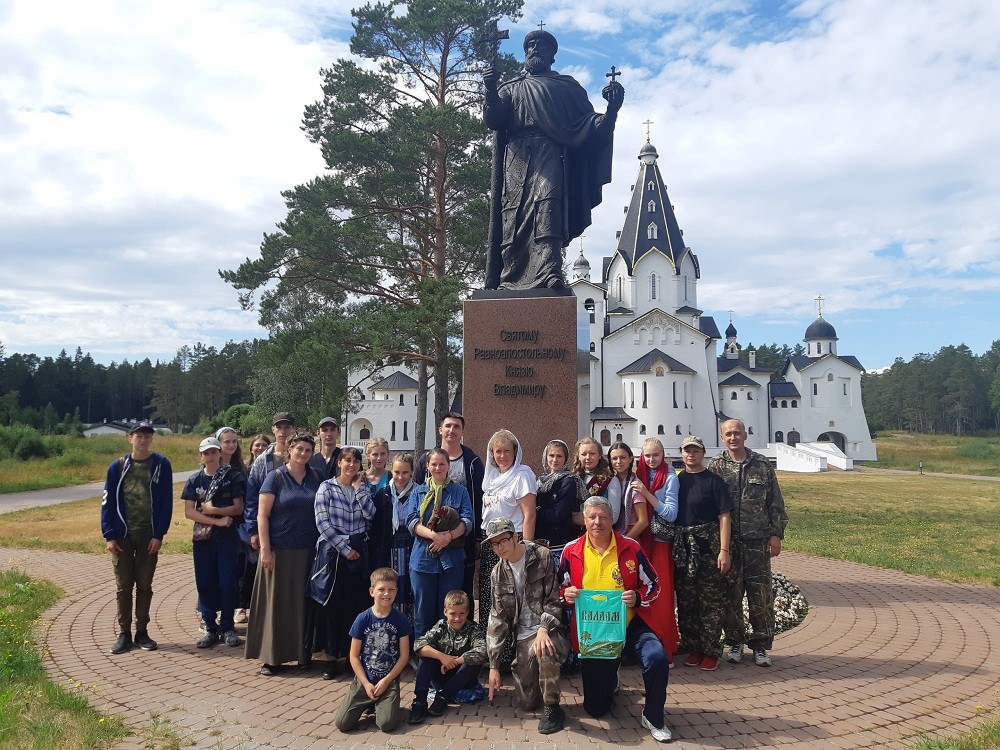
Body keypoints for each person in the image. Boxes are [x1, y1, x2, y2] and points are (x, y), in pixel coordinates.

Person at [483, 29, 623, 290]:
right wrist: (491, 89)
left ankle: (550, 271)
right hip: (516, 155)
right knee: (513, 214)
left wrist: (612, 110)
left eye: (541, 45)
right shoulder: (510, 88)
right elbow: (495, 119)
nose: (534, 49)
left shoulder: (566, 88)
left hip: (549, 151)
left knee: (549, 205)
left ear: (552, 55)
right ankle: (510, 276)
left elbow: (593, 127)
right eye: (530, 45)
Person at [558, 496, 673, 743]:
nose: (597, 522)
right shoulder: (571, 550)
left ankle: (654, 717)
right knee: (596, 709)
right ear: (584, 520)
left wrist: (638, 597)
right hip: (595, 634)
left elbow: (653, 585)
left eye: (603, 517)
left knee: (657, 658)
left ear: (612, 520)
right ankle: (612, 678)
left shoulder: (631, 547)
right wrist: (566, 595)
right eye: (592, 517)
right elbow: (559, 588)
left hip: (631, 624)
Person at [708, 418, 789, 667]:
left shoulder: (762, 465)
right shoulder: (716, 466)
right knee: (731, 596)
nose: (733, 438)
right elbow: (709, 506)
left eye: (737, 433)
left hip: (757, 543)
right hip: (729, 543)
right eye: (728, 434)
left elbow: (775, 502)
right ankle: (734, 641)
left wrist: (776, 534)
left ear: (745, 435)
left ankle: (761, 645)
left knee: (760, 596)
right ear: (722, 437)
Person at [244, 433, 320, 675]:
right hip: (279, 551)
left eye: (308, 450)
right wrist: (265, 550)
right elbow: (262, 515)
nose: (303, 454)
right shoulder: (275, 477)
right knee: (276, 605)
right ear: (290, 449)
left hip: (308, 551)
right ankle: (272, 657)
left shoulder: (316, 476)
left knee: (302, 605)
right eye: (299, 449)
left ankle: (302, 655)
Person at [483, 518, 568, 735]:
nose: (499, 548)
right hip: (522, 636)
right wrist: (493, 665)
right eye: (494, 544)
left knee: (545, 650)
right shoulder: (497, 573)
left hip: (548, 628)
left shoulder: (542, 556)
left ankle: (553, 708)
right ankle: (531, 672)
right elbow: (498, 619)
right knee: (527, 703)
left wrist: (543, 629)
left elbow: (553, 600)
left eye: (503, 541)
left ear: (515, 537)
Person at [101, 421, 173, 655]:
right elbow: (107, 502)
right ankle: (124, 633)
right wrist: (109, 535)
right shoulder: (118, 466)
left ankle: (142, 631)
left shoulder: (161, 464)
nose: (143, 440)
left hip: (148, 534)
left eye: (147, 436)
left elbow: (166, 503)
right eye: (139, 436)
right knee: (124, 586)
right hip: (122, 534)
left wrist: (159, 534)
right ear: (130, 438)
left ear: (151, 439)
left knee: (144, 585)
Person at [311, 446, 376, 680]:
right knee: (332, 607)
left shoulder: (363, 488)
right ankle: (330, 659)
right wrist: (345, 549)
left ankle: (351, 657)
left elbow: (371, 515)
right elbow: (322, 523)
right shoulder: (326, 487)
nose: (351, 465)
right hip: (333, 553)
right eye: (347, 460)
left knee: (354, 606)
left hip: (358, 553)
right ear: (339, 463)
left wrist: (359, 490)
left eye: (355, 461)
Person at [413, 412, 485, 618]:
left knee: (461, 589)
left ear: (463, 432)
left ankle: (462, 631)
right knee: (428, 597)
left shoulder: (472, 462)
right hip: (428, 540)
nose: (451, 430)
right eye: (448, 426)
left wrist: (476, 536)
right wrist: (432, 534)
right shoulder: (426, 460)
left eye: (456, 426)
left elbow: (479, 499)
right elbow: (416, 495)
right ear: (440, 430)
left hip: (461, 537)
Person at [674, 436, 733, 672]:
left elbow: (724, 516)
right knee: (687, 601)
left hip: (708, 549)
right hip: (684, 550)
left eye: (696, 451)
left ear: (703, 453)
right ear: (681, 453)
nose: (691, 455)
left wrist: (724, 551)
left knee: (710, 601)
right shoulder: (677, 481)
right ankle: (693, 646)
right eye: (687, 451)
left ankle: (711, 650)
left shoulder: (713, 482)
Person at [182, 437, 245, 649]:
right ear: (201, 456)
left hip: (227, 539)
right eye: (206, 453)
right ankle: (210, 627)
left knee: (227, 582)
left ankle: (227, 627)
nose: (210, 456)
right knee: (205, 582)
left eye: (214, 452)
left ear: (220, 453)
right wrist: (217, 520)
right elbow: (189, 512)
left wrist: (214, 510)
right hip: (203, 540)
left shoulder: (232, 477)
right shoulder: (194, 480)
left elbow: (238, 508)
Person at [334, 568, 412, 734]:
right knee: (342, 723)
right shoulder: (363, 619)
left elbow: (404, 656)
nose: (386, 594)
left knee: (387, 724)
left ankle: (382, 703)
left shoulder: (401, 619)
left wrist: (387, 680)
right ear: (372, 591)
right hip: (366, 679)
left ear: (396, 592)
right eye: (381, 589)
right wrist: (365, 683)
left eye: (391, 589)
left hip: (388, 680)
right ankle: (369, 702)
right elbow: (354, 656)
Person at [408, 448, 473, 639]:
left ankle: (448, 651)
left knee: (450, 612)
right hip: (422, 560)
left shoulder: (459, 491)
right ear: (427, 466)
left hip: (451, 561)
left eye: (442, 464)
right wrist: (434, 536)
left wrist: (448, 537)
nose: (438, 468)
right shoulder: (417, 492)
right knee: (422, 613)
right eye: (434, 464)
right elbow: (411, 522)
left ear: (448, 465)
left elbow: (467, 521)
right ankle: (423, 652)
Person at [479, 429, 536, 644]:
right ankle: (491, 649)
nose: (502, 456)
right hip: (490, 542)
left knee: (510, 597)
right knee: (490, 596)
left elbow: (529, 514)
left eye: (506, 451)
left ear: (515, 452)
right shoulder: (491, 478)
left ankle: (511, 652)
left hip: (512, 542)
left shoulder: (522, 475)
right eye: (497, 451)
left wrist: (527, 548)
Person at [631, 437, 681, 659]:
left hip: (659, 543)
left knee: (660, 596)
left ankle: (664, 646)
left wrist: (646, 493)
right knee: (641, 595)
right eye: (647, 455)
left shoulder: (670, 477)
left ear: (663, 455)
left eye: (656, 455)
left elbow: (671, 513)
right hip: (641, 541)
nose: (651, 459)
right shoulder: (638, 474)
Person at [408, 590, 487, 725]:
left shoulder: (473, 630)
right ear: (445, 612)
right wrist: (442, 657)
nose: (457, 618)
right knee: (426, 657)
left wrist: (456, 661)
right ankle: (419, 702)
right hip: (442, 675)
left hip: (463, 679)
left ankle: (443, 697)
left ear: (468, 612)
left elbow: (483, 651)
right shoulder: (441, 627)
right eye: (453, 614)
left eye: (461, 613)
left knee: (472, 662)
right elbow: (418, 644)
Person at [370, 453, 417, 624]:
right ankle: (391, 626)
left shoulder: (419, 492)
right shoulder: (383, 494)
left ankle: (409, 628)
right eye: (397, 472)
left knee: (410, 588)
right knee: (391, 585)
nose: (400, 477)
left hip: (412, 548)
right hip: (389, 549)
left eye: (405, 472)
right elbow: (376, 526)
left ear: (412, 472)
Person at [215, 426, 249, 625]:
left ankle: (234, 609)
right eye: (226, 441)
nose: (230, 445)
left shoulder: (241, 468)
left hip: (237, 527)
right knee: (213, 572)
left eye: (234, 441)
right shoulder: (212, 465)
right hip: (213, 527)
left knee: (234, 571)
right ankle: (209, 612)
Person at [534, 439, 586, 557]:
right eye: (551, 455)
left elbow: (558, 515)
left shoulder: (568, 482)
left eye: (559, 456)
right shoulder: (541, 481)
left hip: (559, 543)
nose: (555, 460)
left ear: (565, 458)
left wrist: (536, 511)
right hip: (541, 541)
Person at [607, 441, 648, 538]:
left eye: (623, 457)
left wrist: (625, 540)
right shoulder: (609, 481)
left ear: (630, 459)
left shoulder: (634, 485)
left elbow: (643, 521)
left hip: (631, 534)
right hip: (612, 533)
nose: (619, 461)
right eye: (614, 458)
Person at [572, 437, 612, 525]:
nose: (588, 457)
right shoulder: (573, 479)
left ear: (599, 455)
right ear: (578, 456)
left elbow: (614, 516)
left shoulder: (610, 479)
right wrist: (574, 519)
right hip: (574, 530)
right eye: (584, 454)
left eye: (592, 453)